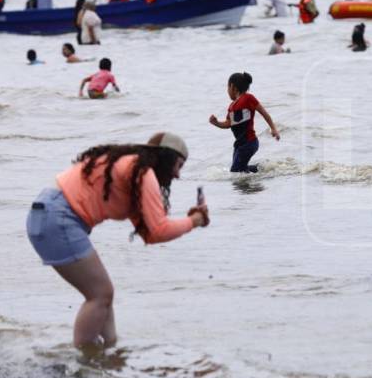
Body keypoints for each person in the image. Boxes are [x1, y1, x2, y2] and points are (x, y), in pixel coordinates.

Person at [25, 132, 209, 351]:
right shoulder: (142, 171)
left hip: (47, 213)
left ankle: (110, 350)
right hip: (59, 217)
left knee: (103, 294)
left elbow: (149, 234)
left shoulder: (130, 169)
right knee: (100, 294)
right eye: (178, 165)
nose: (178, 175)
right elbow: (159, 230)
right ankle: (85, 361)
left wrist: (191, 221)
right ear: (166, 157)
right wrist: (195, 221)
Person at [209, 72, 280, 173]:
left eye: (227, 87)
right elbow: (228, 124)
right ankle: (263, 168)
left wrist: (273, 129)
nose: (227, 91)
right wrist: (216, 122)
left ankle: (262, 171)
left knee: (235, 171)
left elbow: (264, 113)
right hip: (239, 145)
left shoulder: (248, 98)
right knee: (238, 170)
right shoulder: (232, 107)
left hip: (250, 142)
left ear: (232, 86)